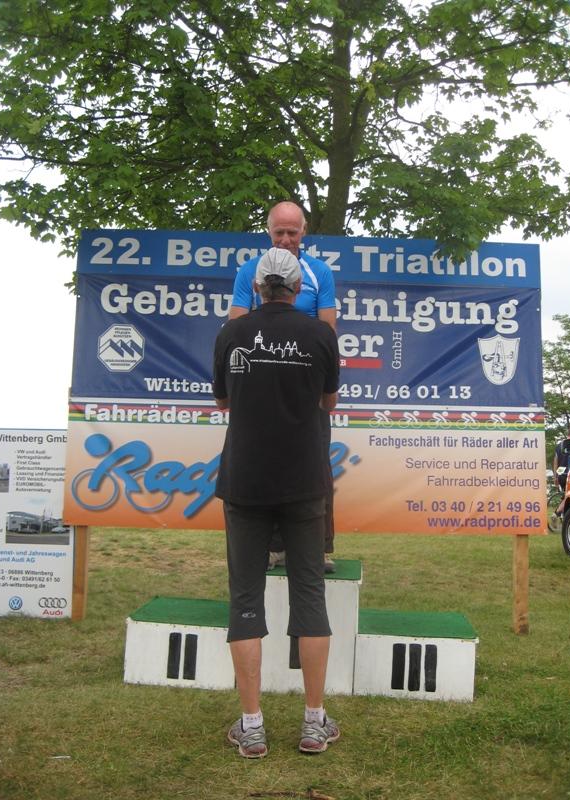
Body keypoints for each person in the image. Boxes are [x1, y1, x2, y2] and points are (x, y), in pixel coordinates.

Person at [213, 247, 340, 759]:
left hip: (245, 480)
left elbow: (223, 401)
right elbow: (329, 401)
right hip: (304, 480)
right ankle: (313, 722)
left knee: (245, 597)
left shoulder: (231, 334)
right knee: (310, 595)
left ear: (258, 286)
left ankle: (252, 726)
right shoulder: (321, 335)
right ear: (297, 287)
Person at [229, 200, 337, 573]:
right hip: (263, 383)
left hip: (305, 384)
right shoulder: (249, 271)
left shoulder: (319, 272)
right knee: (264, 462)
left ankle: (319, 548)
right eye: (279, 232)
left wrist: (322, 380)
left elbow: (328, 329)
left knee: (317, 463)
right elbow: (237, 327)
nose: (286, 239)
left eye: (293, 232)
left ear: (304, 231)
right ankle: (274, 548)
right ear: (268, 232)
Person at [553, 427, 570, 492]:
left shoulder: (559, 446)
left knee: (565, 493)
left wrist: (555, 477)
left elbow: (555, 462)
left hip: (561, 474)